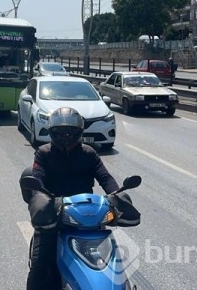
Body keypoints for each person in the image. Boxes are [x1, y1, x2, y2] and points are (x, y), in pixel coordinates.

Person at [26, 107, 120, 290]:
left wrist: (117, 195)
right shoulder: (43, 153)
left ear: (79, 131)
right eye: (60, 132)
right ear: (52, 132)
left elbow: (106, 178)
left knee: (113, 259)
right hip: (53, 216)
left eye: (70, 132)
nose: (65, 136)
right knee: (40, 265)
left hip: (88, 217)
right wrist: (41, 200)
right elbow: (37, 180)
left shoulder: (89, 153)